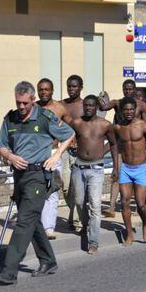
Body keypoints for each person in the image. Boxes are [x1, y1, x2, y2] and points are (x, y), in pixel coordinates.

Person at [0, 81, 75, 285]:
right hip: (19, 176)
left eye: (25, 103)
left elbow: (69, 134)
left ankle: (9, 270)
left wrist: (56, 155)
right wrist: (10, 157)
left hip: (39, 176)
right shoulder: (10, 119)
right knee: (32, 221)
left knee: (24, 220)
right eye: (18, 103)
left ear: (33, 100)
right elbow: (2, 146)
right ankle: (48, 261)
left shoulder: (45, 117)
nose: (21, 107)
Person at [71, 95, 118, 254]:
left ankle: (94, 242)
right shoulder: (77, 123)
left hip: (96, 169)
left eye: (92, 105)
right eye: (86, 105)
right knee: (79, 201)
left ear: (97, 107)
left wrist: (116, 168)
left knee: (95, 206)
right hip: (78, 167)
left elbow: (113, 145)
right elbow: (67, 138)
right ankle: (85, 225)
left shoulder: (105, 125)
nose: (89, 108)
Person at [99, 80, 146, 218]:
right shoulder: (117, 103)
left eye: (130, 89)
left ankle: (141, 204)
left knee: (138, 178)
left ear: (134, 89)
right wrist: (101, 99)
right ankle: (112, 207)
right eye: (125, 89)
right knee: (117, 172)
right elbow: (103, 108)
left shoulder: (141, 106)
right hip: (119, 143)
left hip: (136, 147)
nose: (127, 91)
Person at [114, 97, 146, 245]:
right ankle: (129, 234)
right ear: (121, 111)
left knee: (141, 204)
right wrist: (116, 167)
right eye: (125, 109)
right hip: (126, 169)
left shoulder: (143, 126)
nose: (128, 112)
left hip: (140, 168)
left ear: (135, 110)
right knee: (124, 201)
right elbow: (114, 147)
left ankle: (145, 224)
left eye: (131, 109)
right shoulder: (118, 128)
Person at [36, 78, 71, 239]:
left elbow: (71, 128)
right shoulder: (33, 107)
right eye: (41, 89)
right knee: (36, 190)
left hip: (53, 154)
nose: (43, 92)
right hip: (35, 154)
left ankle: (49, 227)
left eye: (46, 89)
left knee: (53, 191)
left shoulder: (59, 108)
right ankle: (36, 224)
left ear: (52, 91)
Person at [60, 75, 84, 229]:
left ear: (81, 87)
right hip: (64, 150)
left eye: (74, 86)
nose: (71, 89)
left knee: (76, 186)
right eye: (69, 86)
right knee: (65, 186)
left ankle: (76, 221)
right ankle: (73, 215)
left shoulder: (85, 105)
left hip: (80, 151)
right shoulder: (61, 105)